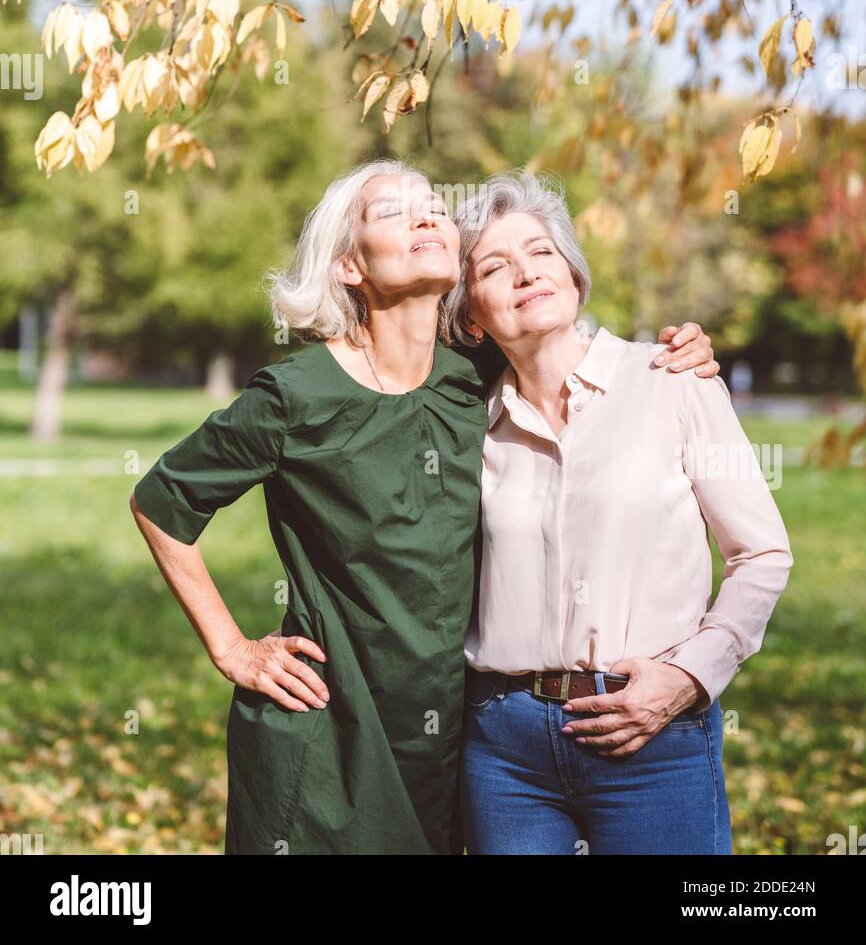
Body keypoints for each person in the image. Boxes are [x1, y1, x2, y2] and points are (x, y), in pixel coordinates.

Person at [130, 158, 719, 855]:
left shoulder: (476, 381)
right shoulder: (297, 396)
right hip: (326, 734)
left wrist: (678, 351)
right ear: (349, 266)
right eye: (394, 212)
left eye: (436, 207)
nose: (429, 218)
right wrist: (231, 648)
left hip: (450, 747)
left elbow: (566, 353)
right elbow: (161, 501)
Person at [448, 171, 794, 855]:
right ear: (471, 316)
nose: (525, 273)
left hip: (653, 734)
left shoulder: (673, 382)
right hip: (504, 752)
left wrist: (689, 677)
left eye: (542, 252)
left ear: (574, 277)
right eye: (495, 265)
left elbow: (761, 554)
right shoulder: (468, 427)